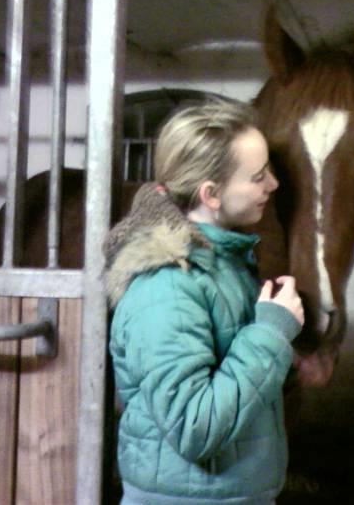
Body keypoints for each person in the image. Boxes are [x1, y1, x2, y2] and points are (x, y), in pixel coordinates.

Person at [103, 99, 304, 505]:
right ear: (211, 194)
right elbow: (194, 427)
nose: (273, 185)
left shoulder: (221, 263)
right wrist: (270, 332)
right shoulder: (167, 286)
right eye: (258, 176)